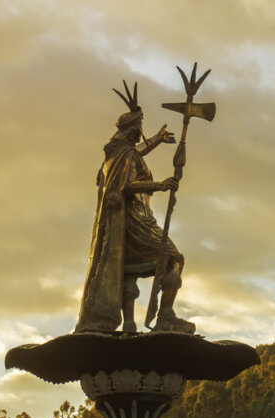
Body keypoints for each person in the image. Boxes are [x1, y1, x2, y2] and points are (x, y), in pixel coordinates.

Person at [75, 82, 195, 334]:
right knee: (173, 258)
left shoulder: (117, 153)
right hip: (137, 221)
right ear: (134, 129)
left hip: (124, 224)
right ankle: (165, 315)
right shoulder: (124, 154)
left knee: (128, 269)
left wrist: (158, 140)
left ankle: (129, 324)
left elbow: (136, 153)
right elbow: (127, 184)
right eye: (140, 126)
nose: (142, 131)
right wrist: (161, 185)